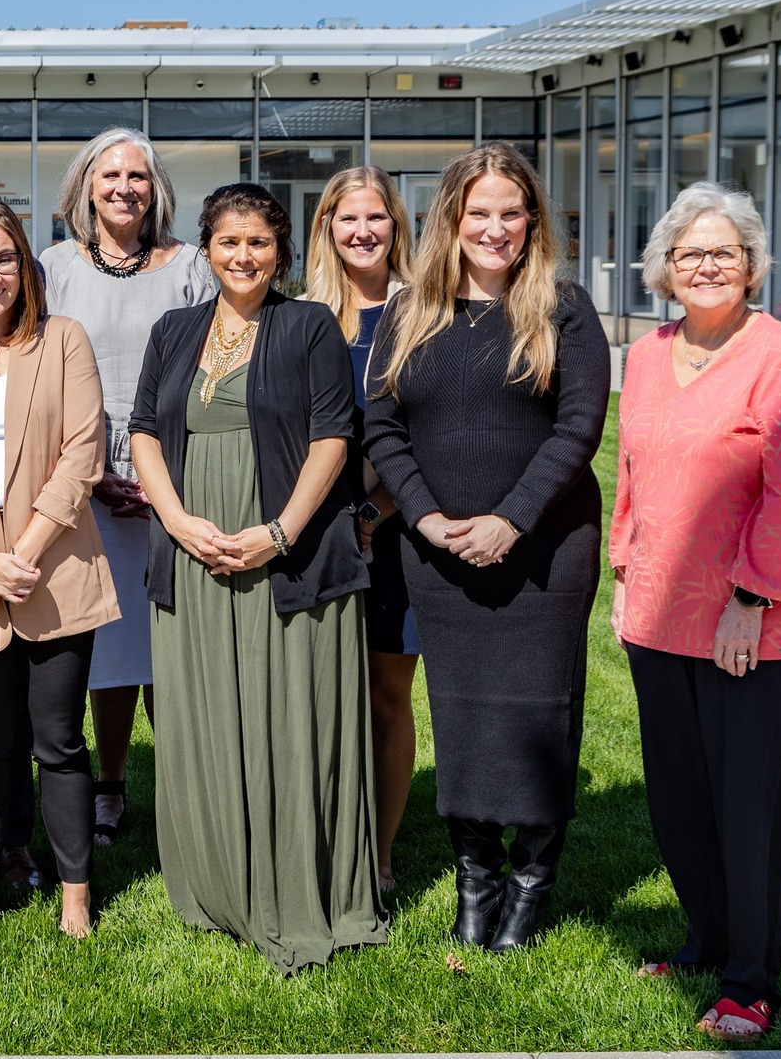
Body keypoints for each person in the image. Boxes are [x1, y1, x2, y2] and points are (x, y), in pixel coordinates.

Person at [363, 143, 611, 954]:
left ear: (531, 217)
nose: (495, 228)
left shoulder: (564, 308)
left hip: (544, 551)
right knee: (462, 717)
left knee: (539, 713)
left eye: (511, 211)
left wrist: (511, 517)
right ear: (452, 220)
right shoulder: (411, 313)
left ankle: (533, 879)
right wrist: (428, 518)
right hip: (436, 555)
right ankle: (478, 878)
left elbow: (579, 427)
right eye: (479, 213)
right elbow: (383, 425)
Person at [128, 184, 382, 971]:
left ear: (283, 253)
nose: (243, 256)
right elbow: (141, 432)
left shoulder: (307, 325)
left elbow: (334, 437)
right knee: (204, 714)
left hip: (288, 556)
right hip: (195, 549)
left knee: (288, 716)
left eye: (260, 243)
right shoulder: (173, 330)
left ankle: (299, 882)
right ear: (207, 247)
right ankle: (215, 880)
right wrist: (175, 520)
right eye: (229, 241)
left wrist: (280, 532)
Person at [612, 183, 781, 1041]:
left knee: (751, 807)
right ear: (664, 270)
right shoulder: (645, 353)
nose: (706, 265)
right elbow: (633, 472)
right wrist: (626, 575)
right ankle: (707, 937)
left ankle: (751, 978)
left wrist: (751, 597)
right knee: (681, 800)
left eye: (724, 252)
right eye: (689, 253)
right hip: (662, 614)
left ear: (751, 267)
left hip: (760, 625)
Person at [0, 201, 116, 938]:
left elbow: (82, 454)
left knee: (59, 741)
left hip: (55, 576)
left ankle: (75, 891)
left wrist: (21, 555)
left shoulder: (63, 339)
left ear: (24, 265)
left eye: (4, 258)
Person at [38, 127, 214, 845]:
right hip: (84, 476)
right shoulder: (53, 267)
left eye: (137, 175)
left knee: (178, 647)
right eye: (109, 174)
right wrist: (93, 471)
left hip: (179, 473)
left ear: (156, 188)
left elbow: (218, 366)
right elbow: (39, 373)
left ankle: (188, 790)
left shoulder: (191, 267)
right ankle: (109, 787)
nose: (124, 186)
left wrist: (164, 470)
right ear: (85, 186)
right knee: (109, 647)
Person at [303, 166, 419, 894]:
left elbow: (432, 433)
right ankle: (322, 837)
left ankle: (378, 852)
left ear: (396, 226)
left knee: (384, 694)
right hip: (317, 530)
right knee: (318, 691)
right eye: (348, 219)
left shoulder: (426, 312)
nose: (363, 231)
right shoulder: (305, 315)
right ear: (327, 228)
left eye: (376, 217)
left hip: (396, 529)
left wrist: (375, 512)